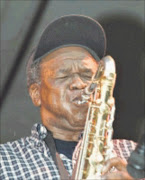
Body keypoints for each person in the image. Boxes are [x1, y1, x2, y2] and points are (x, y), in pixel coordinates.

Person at [0, 15, 136, 180]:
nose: (79, 84)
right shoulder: (4, 159)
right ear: (36, 94)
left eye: (87, 75)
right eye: (63, 76)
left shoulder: (131, 154)